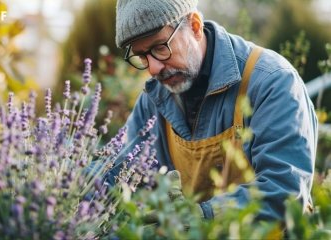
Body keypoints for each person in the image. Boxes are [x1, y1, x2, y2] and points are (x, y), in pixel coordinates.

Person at [105, 0, 318, 221]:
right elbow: (118, 169)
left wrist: (202, 216)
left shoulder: (271, 81)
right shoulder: (155, 97)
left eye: (160, 48)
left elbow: (285, 192)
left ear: (195, 26)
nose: (153, 68)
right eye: (142, 57)